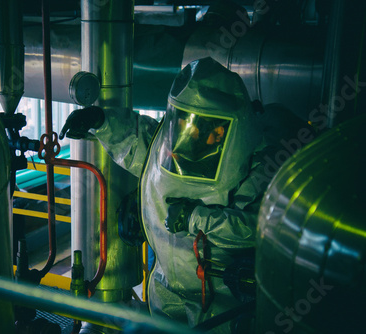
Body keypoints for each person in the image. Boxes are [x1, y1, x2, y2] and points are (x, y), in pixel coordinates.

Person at [60, 57, 301, 332]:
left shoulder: (257, 165)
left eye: (206, 128)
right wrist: (101, 121)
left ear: (227, 129)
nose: (191, 137)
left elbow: (257, 229)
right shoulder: (170, 147)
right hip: (165, 289)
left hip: (221, 304)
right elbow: (140, 140)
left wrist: (196, 218)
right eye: (187, 123)